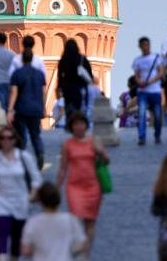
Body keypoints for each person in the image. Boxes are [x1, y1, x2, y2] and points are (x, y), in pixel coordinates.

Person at [0, 126, 43, 261]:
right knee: (2, 233)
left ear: (15, 140)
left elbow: (36, 179)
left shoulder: (24, 157)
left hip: (20, 202)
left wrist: (32, 194)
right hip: (0, 202)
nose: (6, 141)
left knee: (16, 239)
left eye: (9, 138)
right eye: (2, 138)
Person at [56, 111, 106, 258]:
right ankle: (79, 249)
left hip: (93, 186)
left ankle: (85, 255)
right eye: (76, 124)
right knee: (76, 220)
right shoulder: (67, 144)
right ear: (71, 127)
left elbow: (106, 160)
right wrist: (58, 187)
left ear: (86, 125)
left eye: (81, 123)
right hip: (74, 187)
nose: (79, 127)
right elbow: (63, 168)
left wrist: (100, 152)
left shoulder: (94, 141)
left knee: (90, 221)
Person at [20, 182, 88, 261]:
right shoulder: (70, 220)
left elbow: (25, 250)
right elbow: (82, 245)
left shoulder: (33, 222)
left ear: (41, 201)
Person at [8, 36, 47, 169]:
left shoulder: (17, 73)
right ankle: (40, 153)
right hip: (36, 108)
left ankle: (22, 159)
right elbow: (43, 92)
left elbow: (14, 92)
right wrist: (43, 107)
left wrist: (10, 109)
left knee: (21, 136)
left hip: (21, 108)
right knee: (35, 135)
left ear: (23, 59)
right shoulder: (39, 73)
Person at [132, 37, 165, 145]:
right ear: (140, 46)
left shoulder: (156, 58)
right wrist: (139, 82)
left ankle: (157, 135)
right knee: (141, 114)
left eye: (147, 44)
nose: (145, 47)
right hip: (142, 91)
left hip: (155, 90)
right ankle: (142, 137)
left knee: (157, 114)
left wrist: (151, 81)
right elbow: (136, 76)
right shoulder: (137, 60)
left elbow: (161, 73)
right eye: (143, 45)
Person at [57, 40, 93, 118]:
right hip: (81, 90)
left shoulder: (63, 61)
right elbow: (90, 76)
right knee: (81, 114)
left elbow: (59, 79)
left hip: (67, 92)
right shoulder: (82, 59)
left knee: (70, 114)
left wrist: (59, 92)